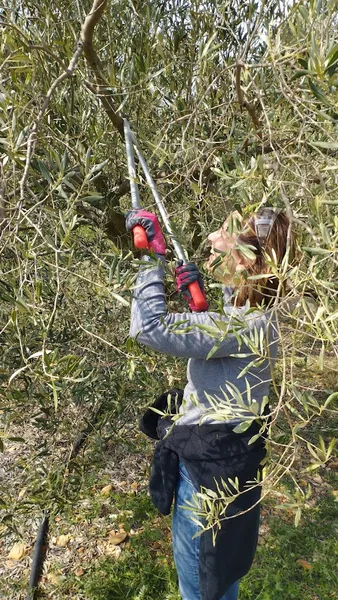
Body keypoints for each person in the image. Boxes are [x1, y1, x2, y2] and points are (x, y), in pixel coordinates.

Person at [126, 207, 292, 600]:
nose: (212, 240)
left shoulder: (241, 326)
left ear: (244, 259)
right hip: (232, 468)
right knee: (221, 579)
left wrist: (151, 258)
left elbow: (149, 328)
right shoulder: (257, 313)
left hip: (207, 483)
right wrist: (202, 301)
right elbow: (226, 343)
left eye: (222, 233)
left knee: (201, 588)